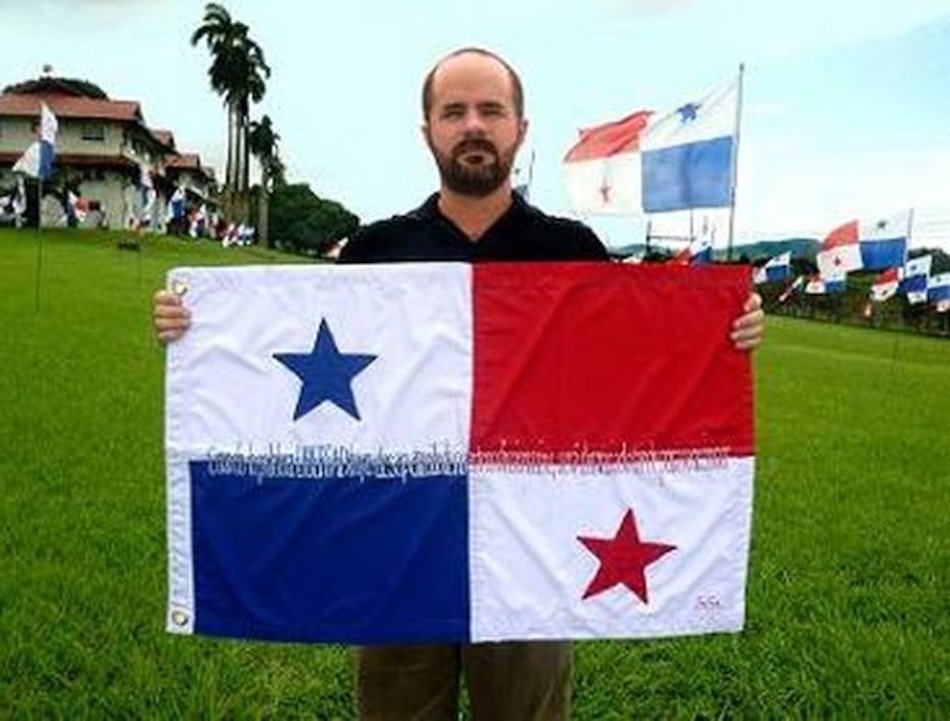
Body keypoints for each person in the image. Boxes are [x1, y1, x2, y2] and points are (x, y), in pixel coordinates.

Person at [154, 46, 764, 720]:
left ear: (519, 129)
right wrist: (194, 327)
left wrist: (724, 333)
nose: (473, 125)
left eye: (490, 110)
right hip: (397, 540)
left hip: (536, 549)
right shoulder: (374, 252)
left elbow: (634, 367)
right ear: (429, 132)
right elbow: (281, 356)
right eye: (454, 112)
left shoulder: (572, 252)